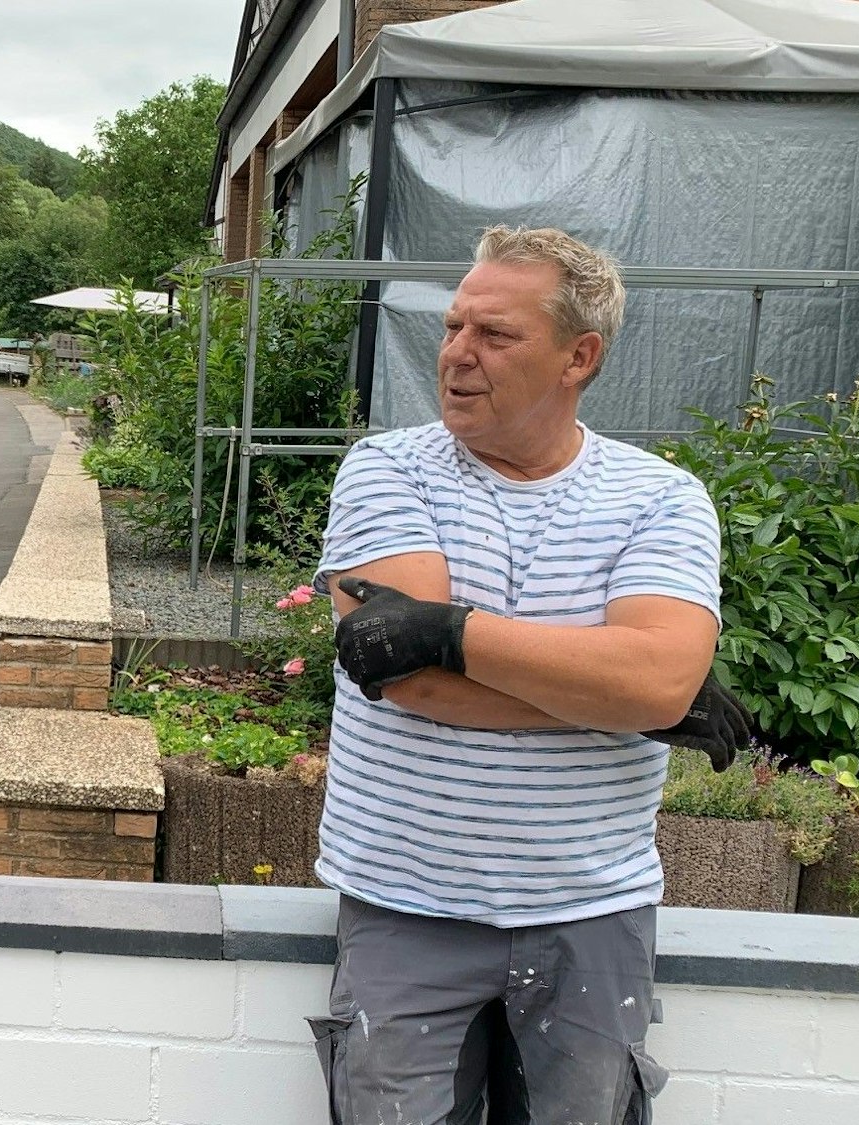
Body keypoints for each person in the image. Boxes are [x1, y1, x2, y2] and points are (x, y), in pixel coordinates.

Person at [310, 226, 751, 1123]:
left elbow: (653, 675)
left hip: (592, 912)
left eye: (495, 335)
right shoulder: (387, 468)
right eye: (452, 327)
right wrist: (632, 704)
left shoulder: (660, 498)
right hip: (405, 902)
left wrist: (449, 630)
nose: (456, 355)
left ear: (578, 356)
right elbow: (406, 680)